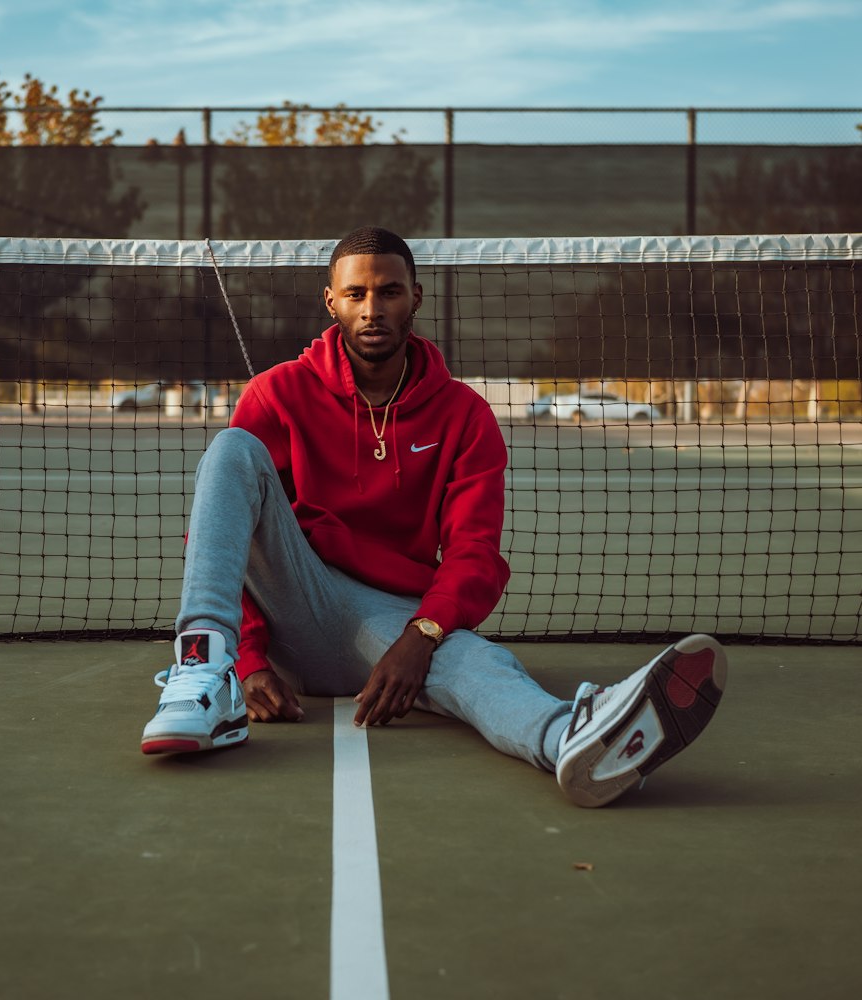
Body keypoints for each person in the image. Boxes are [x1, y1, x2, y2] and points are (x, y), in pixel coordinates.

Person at [141, 226, 727, 808]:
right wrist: (247, 659)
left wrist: (422, 636)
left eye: (389, 292)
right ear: (331, 301)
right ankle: (204, 674)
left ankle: (575, 741)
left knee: (480, 664)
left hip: (393, 623)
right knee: (230, 451)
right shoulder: (278, 393)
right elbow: (218, 535)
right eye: (355, 295)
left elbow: (475, 551)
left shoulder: (465, 416)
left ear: (415, 297)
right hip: (297, 604)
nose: (373, 309)